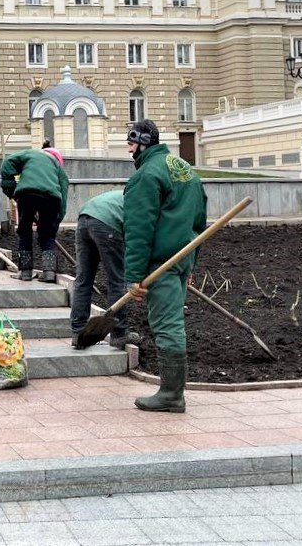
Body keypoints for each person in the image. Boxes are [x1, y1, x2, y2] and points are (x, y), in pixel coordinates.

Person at [121, 119, 206, 413]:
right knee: (172, 321)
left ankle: (171, 394)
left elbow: (138, 229)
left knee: (167, 324)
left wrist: (133, 275)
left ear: (144, 142)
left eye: (131, 141)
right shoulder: (184, 168)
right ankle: (172, 391)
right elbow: (199, 220)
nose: (128, 147)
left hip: (162, 262)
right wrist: (192, 259)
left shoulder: (146, 175)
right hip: (182, 257)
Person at [69, 190, 141, 349]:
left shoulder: (127, 195)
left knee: (83, 279)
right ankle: (119, 334)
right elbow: (138, 239)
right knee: (117, 280)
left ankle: (78, 332)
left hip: (84, 218)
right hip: (106, 222)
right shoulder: (145, 204)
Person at [0, 147, 69, 282]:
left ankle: (25, 272)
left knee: (24, 231)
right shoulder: (57, 166)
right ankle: (49, 272)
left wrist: (11, 190)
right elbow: (64, 190)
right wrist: (57, 220)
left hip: (27, 194)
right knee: (47, 234)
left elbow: (8, 162)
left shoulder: (29, 153)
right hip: (52, 198)